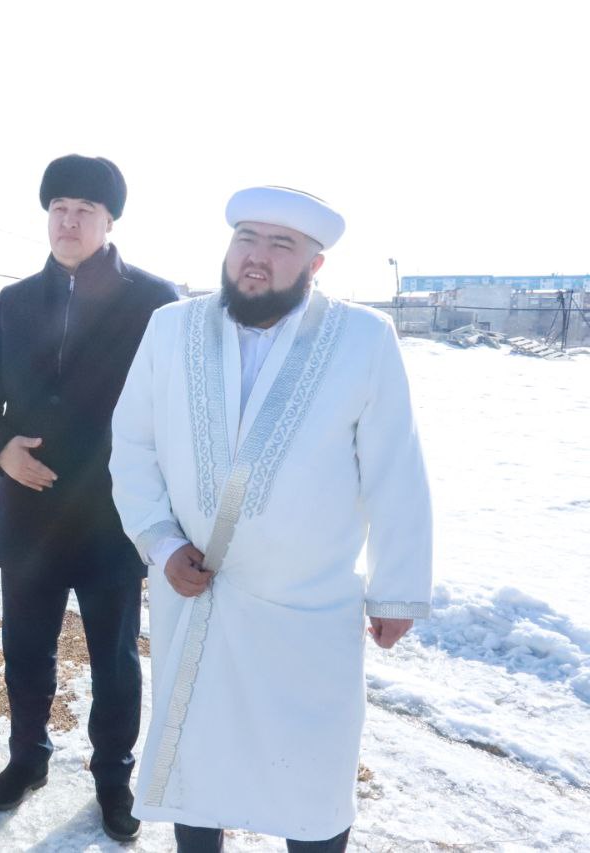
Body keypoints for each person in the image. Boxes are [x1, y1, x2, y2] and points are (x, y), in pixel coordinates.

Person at [109, 186, 433, 851]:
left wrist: (396, 588)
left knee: (310, 784)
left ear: (316, 264)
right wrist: (161, 543)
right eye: (246, 239)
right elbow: (133, 446)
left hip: (306, 611)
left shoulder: (363, 339)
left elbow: (395, 470)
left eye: (281, 245)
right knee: (198, 766)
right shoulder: (171, 327)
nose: (256, 257)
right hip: (195, 596)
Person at [0, 154, 178, 842]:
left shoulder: (155, 301)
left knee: (115, 657)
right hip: (29, 511)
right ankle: (27, 757)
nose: (69, 221)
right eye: (59, 208)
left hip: (113, 515)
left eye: (86, 210)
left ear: (110, 220)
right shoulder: (16, 300)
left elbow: (176, 405)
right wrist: (1, 449)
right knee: (25, 648)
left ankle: (114, 776)